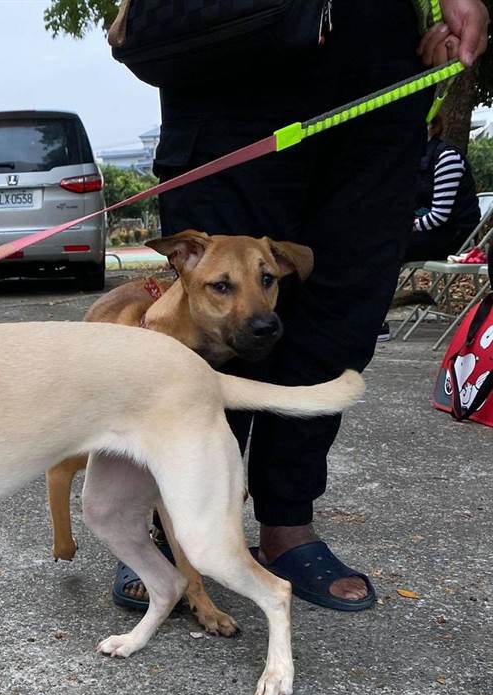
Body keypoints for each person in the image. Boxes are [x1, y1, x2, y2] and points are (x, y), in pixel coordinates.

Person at [115, 0, 489, 611]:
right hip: (231, 58)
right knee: (206, 339)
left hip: (370, 75)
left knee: (343, 306)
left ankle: (287, 522)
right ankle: (180, 527)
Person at [407, 112, 481, 262]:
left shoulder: (447, 157)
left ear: (432, 126)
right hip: (430, 231)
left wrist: (406, 227)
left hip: (455, 235)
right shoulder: (416, 158)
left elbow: (439, 215)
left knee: (387, 246)